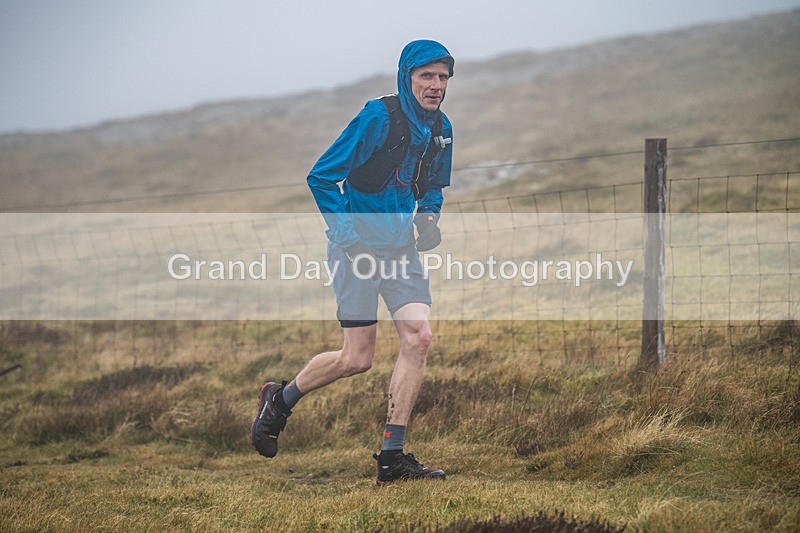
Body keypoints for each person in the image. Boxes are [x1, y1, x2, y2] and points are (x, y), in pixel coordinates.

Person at [251, 40, 454, 485]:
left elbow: (434, 185)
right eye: (426, 76)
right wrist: (349, 239)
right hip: (355, 249)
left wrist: (428, 217)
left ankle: (392, 459)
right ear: (407, 77)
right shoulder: (377, 117)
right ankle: (279, 400)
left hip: (400, 251)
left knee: (418, 337)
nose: (436, 85)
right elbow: (322, 176)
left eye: (442, 77)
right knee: (357, 358)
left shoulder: (441, 128)